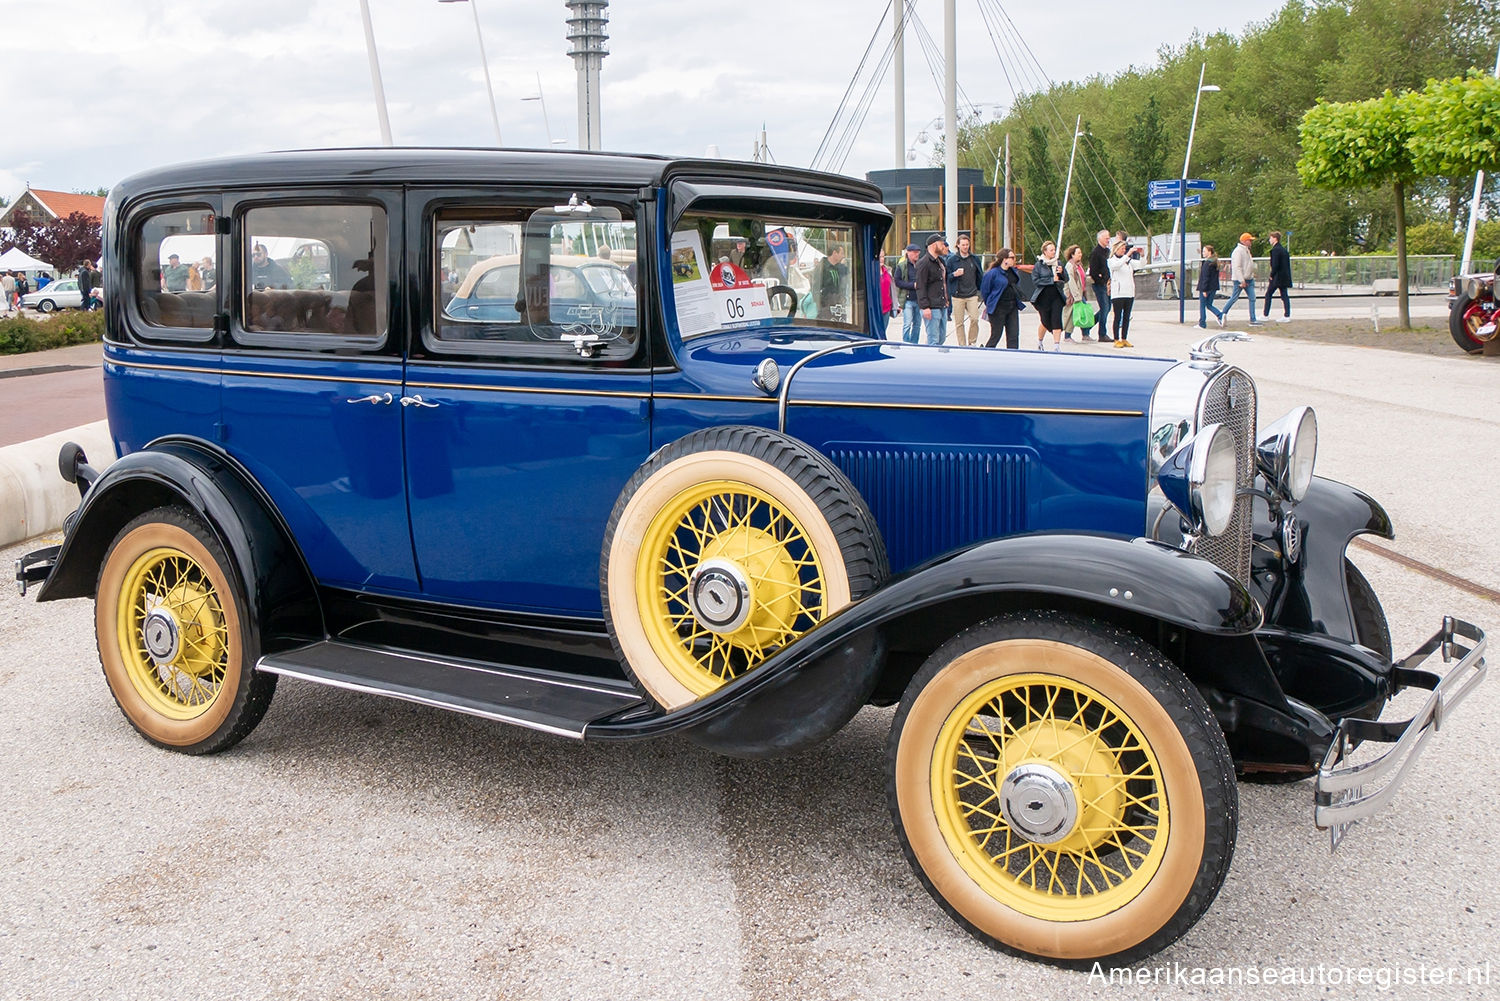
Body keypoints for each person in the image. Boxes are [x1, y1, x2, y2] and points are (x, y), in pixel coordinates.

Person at [980, 248, 1024, 349]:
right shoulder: (993, 273)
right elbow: (985, 291)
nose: (1014, 260)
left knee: (1013, 335)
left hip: (1012, 306)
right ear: (1004, 259)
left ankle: (1013, 356)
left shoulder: (1013, 271)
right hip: (998, 307)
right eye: (1012, 257)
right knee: (996, 334)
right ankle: (987, 351)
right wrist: (990, 303)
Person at [945, 234, 982, 345]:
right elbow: (947, 277)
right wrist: (954, 274)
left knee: (975, 319)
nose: (965, 247)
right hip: (957, 296)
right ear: (958, 245)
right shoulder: (952, 260)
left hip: (972, 294)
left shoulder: (974, 259)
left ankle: (972, 342)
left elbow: (980, 274)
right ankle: (962, 344)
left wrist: (982, 290)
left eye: (967, 244)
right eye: (963, 245)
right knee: (959, 323)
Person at [1029, 241, 1066, 350]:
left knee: (1056, 319)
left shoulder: (1058, 263)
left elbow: (1066, 279)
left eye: (1054, 250)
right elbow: (1036, 281)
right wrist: (1051, 280)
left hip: (1056, 295)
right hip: (1043, 296)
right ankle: (1040, 341)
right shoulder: (1039, 265)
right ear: (1045, 252)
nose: (1053, 252)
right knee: (1045, 321)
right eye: (1051, 250)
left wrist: (1062, 273)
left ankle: (1056, 345)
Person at [915, 233, 950, 345]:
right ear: (934, 245)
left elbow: (943, 283)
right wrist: (925, 307)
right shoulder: (923, 263)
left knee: (942, 338)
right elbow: (920, 286)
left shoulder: (941, 262)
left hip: (942, 304)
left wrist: (946, 299)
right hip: (931, 306)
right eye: (941, 243)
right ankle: (931, 359)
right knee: (933, 339)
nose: (943, 245)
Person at [1107, 239, 1143, 347]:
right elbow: (1117, 266)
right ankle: (1116, 339)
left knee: (1127, 317)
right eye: (1121, 249)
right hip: (1118, 293)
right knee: (1118, 316)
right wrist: (1127, 255)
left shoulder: (1128, 261)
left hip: (1129, 292)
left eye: (1124, 249)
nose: (1123, 251)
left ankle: (1124, 338)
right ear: (1116, 250)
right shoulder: (1111, 261)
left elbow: (1140, 265)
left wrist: (1142, 256)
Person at [1219, 232, 1260, 326]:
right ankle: (1223, 314)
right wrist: (1242, 280)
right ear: (1244, 241)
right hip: (1240, 279)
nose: (1251, 242)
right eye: (1249, 240)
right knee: (1234, 298)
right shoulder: (1238, 251)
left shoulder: (1246, 250)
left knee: (1252, 298)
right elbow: (1237, 267)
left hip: (1248, 278)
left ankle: (1253, 319)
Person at [892, 243, 923, 344]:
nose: (916, 254)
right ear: (908, 253)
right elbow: (897, 282)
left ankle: (914, 343)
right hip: (908, 299)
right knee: (907, 323)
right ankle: (906, 343)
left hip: (919, 299)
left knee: (917, 324)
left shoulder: (921, 265)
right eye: (914, 252)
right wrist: (912, 285)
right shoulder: (902, 266)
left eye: (918, 252)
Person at [1061, 244, 1093, 341]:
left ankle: (1085, 334)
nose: (1080, 254)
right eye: (1078, 253)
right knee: (1073, 314)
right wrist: (1076, 296)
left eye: (1080, 252)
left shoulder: (1079, 265)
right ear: (1072, 255)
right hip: (1074, 295)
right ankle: (1068, 335)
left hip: (1080, 293)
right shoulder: (1070, 266)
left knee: (1082, 313)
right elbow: (1071, 282)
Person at [1088, 229, 1114, 343]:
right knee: (1104, 308)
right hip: (1100, 285)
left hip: (1108, 283)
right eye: (1106, 238)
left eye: (1109, 238)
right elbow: (1093, 271)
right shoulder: (1095, 253)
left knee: (1107, 308)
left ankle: (1087, 326)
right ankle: (1102, 334)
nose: (1108, 240)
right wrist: (1102, 280)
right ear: (1100, 239)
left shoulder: (1108, 252)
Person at [811, 244, 848, 321]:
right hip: (826, 305)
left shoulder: (840, 267)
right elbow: (815, 287)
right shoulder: (822, 267)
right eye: (841, 253)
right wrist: (820, 303)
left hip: (839, 304)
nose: (843, 256)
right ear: (835, 253)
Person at [1264, 230, 1292, 322]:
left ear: (1275, 238)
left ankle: (1265, 314)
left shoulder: (1275, 250)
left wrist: (1271, 274)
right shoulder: (1283, 250)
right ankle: (1287, 315)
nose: (1269, 240)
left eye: (1271, 238)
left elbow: (1275, 265)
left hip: (1277, 277)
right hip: (1284, 276)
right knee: (1284, 295)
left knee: (1268, 294)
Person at [1197, 245, 1224, 329]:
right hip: (1213, 287)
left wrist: (1204, 290)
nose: (1203, 253)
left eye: (1204, 251)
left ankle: (1202, 323)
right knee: (1209, 305)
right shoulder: (1215, 262)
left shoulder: (1207, 264)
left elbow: (1205, 277)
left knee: (1202, 305)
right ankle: (1220, 315)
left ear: (1209, 252)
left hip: (1206, 288)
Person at [879, 258, 895, 332]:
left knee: (883, 332)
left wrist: (896, 304)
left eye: (882, 256)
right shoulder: (871, 272)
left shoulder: (887, 271)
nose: (881, 259)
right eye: (879, 257)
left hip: (887, 307)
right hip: (876, 308)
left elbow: (892, 289)